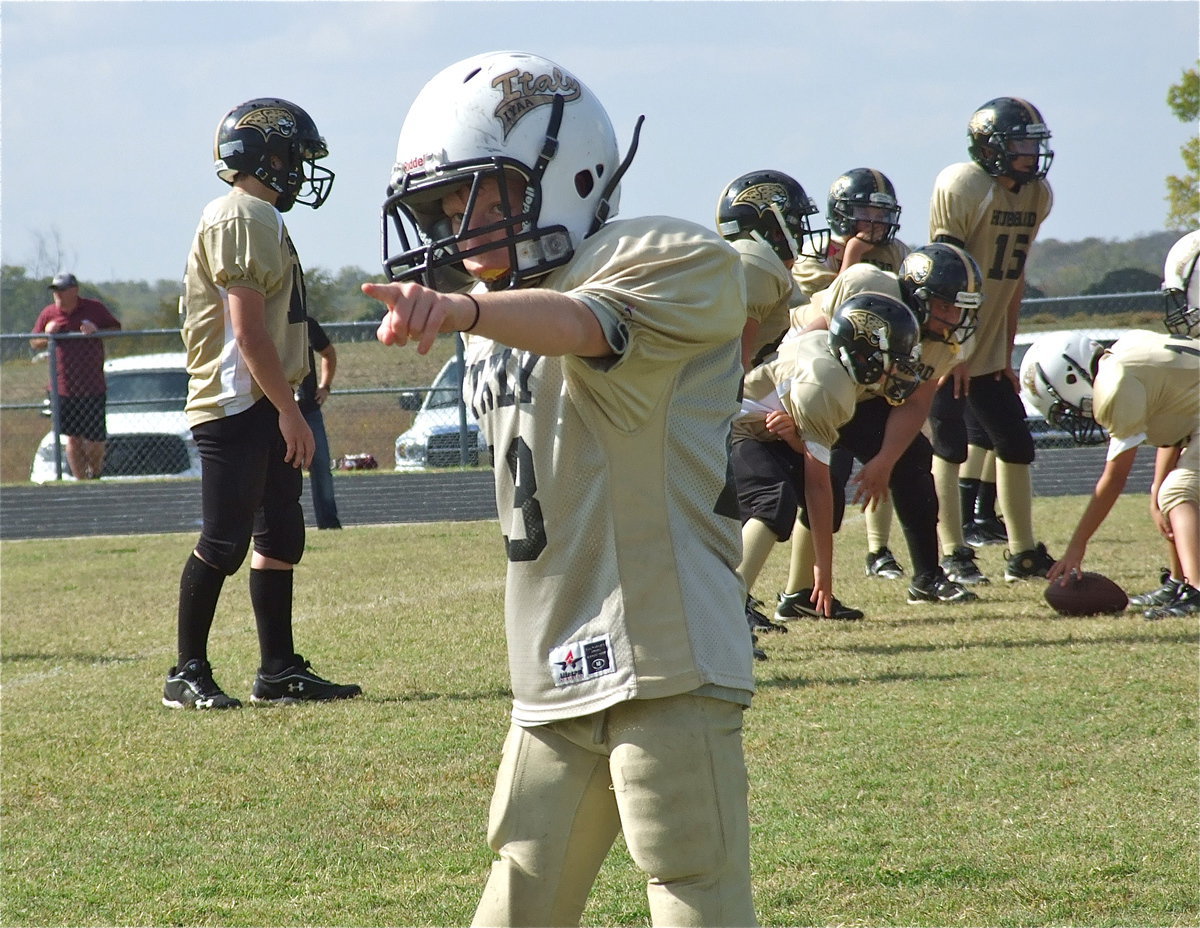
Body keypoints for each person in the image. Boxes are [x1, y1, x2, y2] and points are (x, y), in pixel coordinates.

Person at [364, 51, 757, 926]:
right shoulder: (497, 306)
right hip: (553, 656)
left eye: (478, 198)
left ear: (570, 173)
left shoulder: (662, 255)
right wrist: (471, 309)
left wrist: (465, 310)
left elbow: (589, 324)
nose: (455, 229)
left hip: (662, 650)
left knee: (692, 884)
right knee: (519, 897)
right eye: (435, 208)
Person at [164, 97, 360, 711]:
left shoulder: (261, 215)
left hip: (267, 396)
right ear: (267, 156)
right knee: (224, 538)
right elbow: (246, 333)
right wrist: (290, 409)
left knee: (279, 534)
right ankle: (185, 671)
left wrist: (290, 401)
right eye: (295, 156)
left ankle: (278, 670)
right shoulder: (239, 215)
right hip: (235, 399)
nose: (301, 169)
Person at [775, 244, 985, 613]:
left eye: (961, 308)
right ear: (919, 297)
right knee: (825, 480)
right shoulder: (868, 285)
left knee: (913, 457)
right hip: (810, 376)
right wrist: (791, 401)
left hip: (863, 389)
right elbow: (809, 342)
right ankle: (800, 591)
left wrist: (885, 460)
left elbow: (918, 402)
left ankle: (927, 577)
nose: (955, 317)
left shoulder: (941, 339)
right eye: (946, 306)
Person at [734, 292, 925, 640]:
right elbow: (815, 484)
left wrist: (793, 435)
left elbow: (801, 443)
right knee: (773, 500)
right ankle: (726, 612)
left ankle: (796, 596)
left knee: (825, 496)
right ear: (865, 353)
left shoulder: (834, 361)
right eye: (893, 359)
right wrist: (824, 568)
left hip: (761, 430)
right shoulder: (828, 385)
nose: (900, 368)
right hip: (729, 430)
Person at [927, 96, 1057, 582]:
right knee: (949, 443)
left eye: (1034, 142)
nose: (1031, 153)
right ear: (990, 147)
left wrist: (1002, 350)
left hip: (985, 346)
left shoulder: (1036, 195)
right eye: (1021, 142)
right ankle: (953, 552)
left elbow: (1015, 277)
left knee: (1016, 442)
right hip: (943, 340)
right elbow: (946, 275)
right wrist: (954, 351)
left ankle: (1022, 551)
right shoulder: (965, 184)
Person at [1025, 326, 1199, 618]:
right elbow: (1177, 422)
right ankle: (1180, 581)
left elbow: (1114, 479)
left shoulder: (1115, 383)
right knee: (1167, 493)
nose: (1076, 414)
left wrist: (1077, 545)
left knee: (1177, 491)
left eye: (1066, 407)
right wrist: (1155, 487)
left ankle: (1196, 589)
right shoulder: (1126, 349)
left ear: (1071, 378)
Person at [791, 168, 910, 581]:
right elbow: (833, 310)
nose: (874, 222)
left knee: (884, 463)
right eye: (863, 211)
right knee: (826, 481)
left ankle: (879, 550)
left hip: (871, 376)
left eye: (881, 213)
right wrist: (854, 257)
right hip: (824, 378)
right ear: (841, 213)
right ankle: (801, 584)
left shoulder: (897, 252)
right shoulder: (815, 253)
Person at [715, 169, 826, 372]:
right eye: (797, 223)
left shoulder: (752, 265)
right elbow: (731, 368)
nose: (802, 231)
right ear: (775, 231)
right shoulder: (756, 263)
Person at [30, 273, 122, 479]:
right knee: (73, 438)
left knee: (95, 441)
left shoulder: (94, 308)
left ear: (74, 290)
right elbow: (34, 342)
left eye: (62, 290)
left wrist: (96, 330)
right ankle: (81, 482)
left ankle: (95, 472)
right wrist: (47, 335)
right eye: (55, 291)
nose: (58, 295)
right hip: (63, 387)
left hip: (93, 386)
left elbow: (116, 329)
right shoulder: (49, 313)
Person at [298, 315, 342, 530]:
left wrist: (325, 387)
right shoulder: (266, 320)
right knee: (277, 471)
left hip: (309, 411)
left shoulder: (307, 323)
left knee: (321, 467)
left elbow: (328, 353)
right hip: (276, 412)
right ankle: (279, 526)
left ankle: (329, 524)